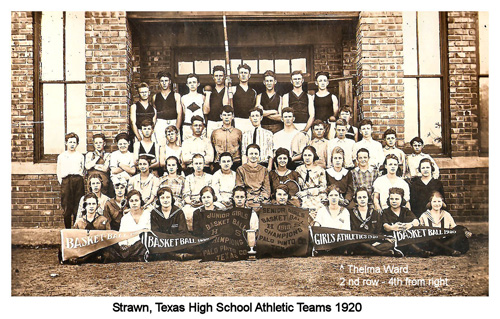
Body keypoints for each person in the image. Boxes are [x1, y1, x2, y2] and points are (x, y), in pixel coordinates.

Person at [380, 187, 432, 257]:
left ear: (402, 200)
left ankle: (414, 251)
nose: (394, 201)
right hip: (392, 238)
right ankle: (419, 251)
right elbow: (385, 226)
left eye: (397, 199)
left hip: (405, 237)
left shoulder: (405, 211)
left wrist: (410, 224)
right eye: (391, 199)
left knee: (410, 240)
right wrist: (392, 227)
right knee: (389, 245)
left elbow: (416, 221)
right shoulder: (385, 212)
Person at [348, 187, 399, 256]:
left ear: (368, 198)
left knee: (390, 244)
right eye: (359, 197)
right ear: (356, 199)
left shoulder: (375, 213)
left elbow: (378, 231)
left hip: (372, 241)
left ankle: (368, 251)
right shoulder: (351, 213)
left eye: (364, 197)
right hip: (358, 242)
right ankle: (380, 253)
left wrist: (381, 239)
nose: (362, 199)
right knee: (360, 244)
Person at [418, 191, 471, 256]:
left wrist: (463, 230)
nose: (437, 204)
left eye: (439, 201)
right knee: (425, 239)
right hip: (431, 241)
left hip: (446, 240)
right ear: (430, 203)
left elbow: (454, 228)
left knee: (460, 234)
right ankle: (449, 250)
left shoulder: (446, 214)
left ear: (442, 202)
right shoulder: (424, 216)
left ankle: (438, 250)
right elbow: (420, 231)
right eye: (434, 201)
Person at [67, 193, 110, 264]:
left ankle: (84, 259)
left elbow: (108, 237)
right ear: (85, 206)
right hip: (84, 248)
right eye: (89, 204)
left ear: (97, 205)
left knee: (106, 255)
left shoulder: (103, 220)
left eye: (93, 204)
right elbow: (74, 239)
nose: (91, 206)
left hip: (98, 247)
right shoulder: (80, 221)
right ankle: (90, 258)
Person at [57, 132, 85, 228]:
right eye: (70, 142)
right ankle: (68, 229)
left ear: (77, 144)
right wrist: (64, 183)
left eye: (74, 142)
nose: (72, 144)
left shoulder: (80, 156)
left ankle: (76, 228)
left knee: (78, 205)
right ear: (66, 143)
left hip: (78, 180)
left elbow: (83, 170)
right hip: (66, 181)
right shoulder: (61, 156)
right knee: (66, 206)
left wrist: (78, 180)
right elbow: (59, 172)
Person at [115, 190, 151, 262]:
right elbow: (122, 236)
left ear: (140, 201)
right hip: (130, 248)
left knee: (141, 244)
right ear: (128, 202)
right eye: (131, 201)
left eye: (136, 200)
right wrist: (124, 245)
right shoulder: (125, 218)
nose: (134, 203)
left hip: (144, 246)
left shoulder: (147, 215)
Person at [182, 154, 213, 231]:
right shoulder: (188, 178)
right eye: (196, 163)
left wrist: (203, 202)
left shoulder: (210, 177)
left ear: (204, 164)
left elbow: (211, 193)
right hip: (192, 203)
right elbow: (186, 194)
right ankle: (192, 235)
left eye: (200, 163)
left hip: (206, 201)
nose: (198, 166)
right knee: (186, 212)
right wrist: (190, 202)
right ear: (192, 165)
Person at [235, 144, 271, 208]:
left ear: (259, 155)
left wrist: (262, 197)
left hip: (261, 199)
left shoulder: (264, 170)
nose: (253, 156)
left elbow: (266, 188)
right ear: (247, 156)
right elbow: (240, 188)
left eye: (256, 154)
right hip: (247, 199)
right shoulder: (241, 169)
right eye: (251, 154)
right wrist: (252, 198)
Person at [152, 71, 182, 147]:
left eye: (166, 80)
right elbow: (154, 115)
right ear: (159, 82)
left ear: (170, 82)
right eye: (162, 81)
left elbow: (179, 113)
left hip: (172, 122)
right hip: (160, 124)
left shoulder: (176, 96)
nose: (164, 83)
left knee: (174, 146)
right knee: (160, 145)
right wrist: (153, 127)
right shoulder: (155, 97)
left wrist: (177, 128)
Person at [295, 146, 327, 215]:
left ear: (314, 156)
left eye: (309, 155)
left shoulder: (320, 170)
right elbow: (296, 186)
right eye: (305, 155)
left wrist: (308, 192)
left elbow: (323, 188)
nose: (307, 158)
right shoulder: (298, 169)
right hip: (302, 197)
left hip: (317, 196)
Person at [211, 105, 242, 171]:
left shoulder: (238, 132)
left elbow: (242, 148)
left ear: (233, 116)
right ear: (221, 116)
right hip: (219, 162)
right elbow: (212, 148)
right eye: (224, 115)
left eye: (229, 115)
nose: (227, 117)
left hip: (235, 163)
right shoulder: (215, 133)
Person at [230, 64, 257, 133]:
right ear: (238, 75)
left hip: (249, 121)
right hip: (237, 120)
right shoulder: (233, 89)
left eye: (245, 73)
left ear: (249, 75)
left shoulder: (253, 92)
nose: (243, 75)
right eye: (241, 73)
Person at [204, 65, 229, 138]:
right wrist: (208, 95)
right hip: (211, 122)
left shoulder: (228, 90)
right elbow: (205, 111)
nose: (218, 78)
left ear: (224, 77)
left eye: (221, 76)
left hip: (223, 122)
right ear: (213, 77)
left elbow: (225, 105)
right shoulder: (210, 91)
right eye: (216, 76)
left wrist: (227, 86)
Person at [313, 71, 339, 139]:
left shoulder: (333, 97)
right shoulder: (312, 97)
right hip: (317, 126)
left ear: (327, 82)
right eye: (320, 81)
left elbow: (335, 113)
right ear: (316, 83)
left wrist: (332, 119)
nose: (322, 83)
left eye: (324, 81)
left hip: (329, 126)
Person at [181, 73, 205, 141]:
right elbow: (184, 113)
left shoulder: (202, 97)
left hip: (200, 127)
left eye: (194, 82)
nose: (192, 84)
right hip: (187, 126)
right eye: (190, 82)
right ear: (187, 84)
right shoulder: (183, 98)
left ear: (198, 84)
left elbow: (205, 112)